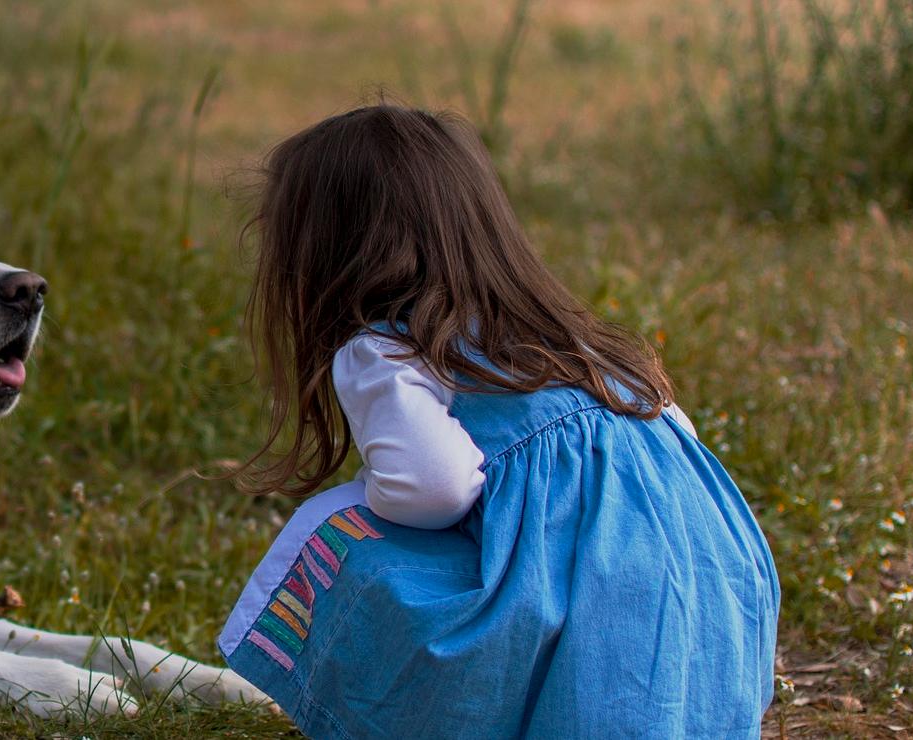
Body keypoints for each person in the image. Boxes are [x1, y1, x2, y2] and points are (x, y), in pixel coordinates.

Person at [218, 104, 779, 738]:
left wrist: (372, 499)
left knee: (341, 536)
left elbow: (435, 488)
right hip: (714, 612)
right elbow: (679, 450)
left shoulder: (388, 350)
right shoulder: (577, 342)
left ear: (325, 254)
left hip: (585, 630)